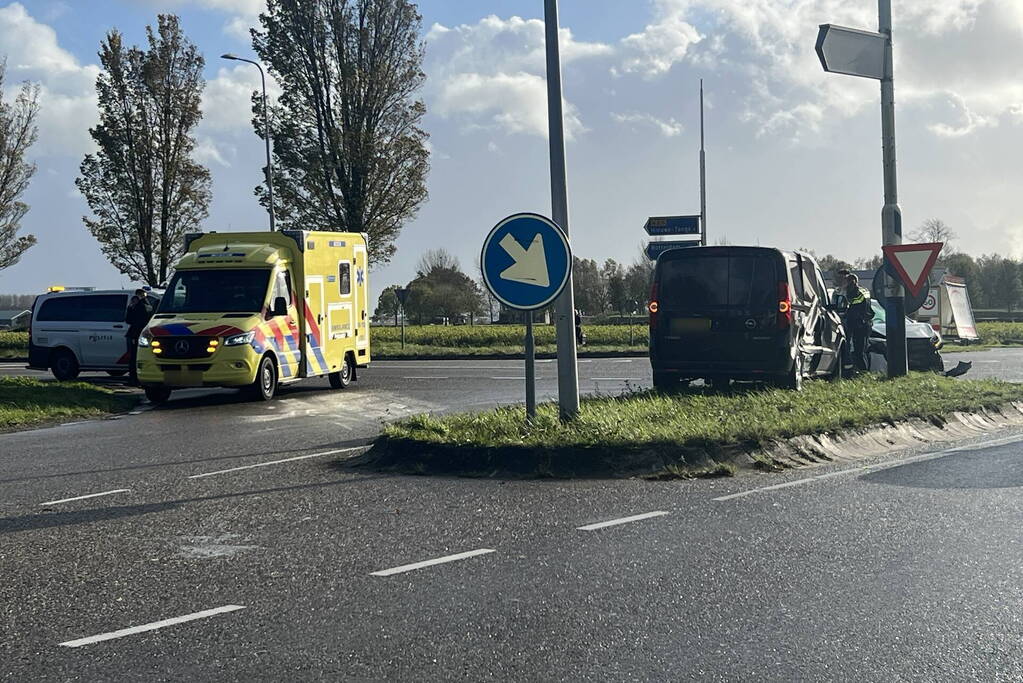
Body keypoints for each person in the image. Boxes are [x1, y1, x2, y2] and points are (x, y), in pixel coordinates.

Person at [843, 273, 872, 373]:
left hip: (859, 324)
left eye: (847, 282)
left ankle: (863, 372)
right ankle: (863, 370)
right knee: (863, 349)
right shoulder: (864, 290)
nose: (845, 285)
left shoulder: (855, 293)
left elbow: (853, 306)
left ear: (852, 282)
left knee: (859, 351)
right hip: (865, 323)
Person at [125, 288, 154, 385]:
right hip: (145, 334)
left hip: (135, 334)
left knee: (133, 357)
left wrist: (131, 307)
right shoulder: (149, 306)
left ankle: (133, 378)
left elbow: (129, 320)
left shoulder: (139, 306)